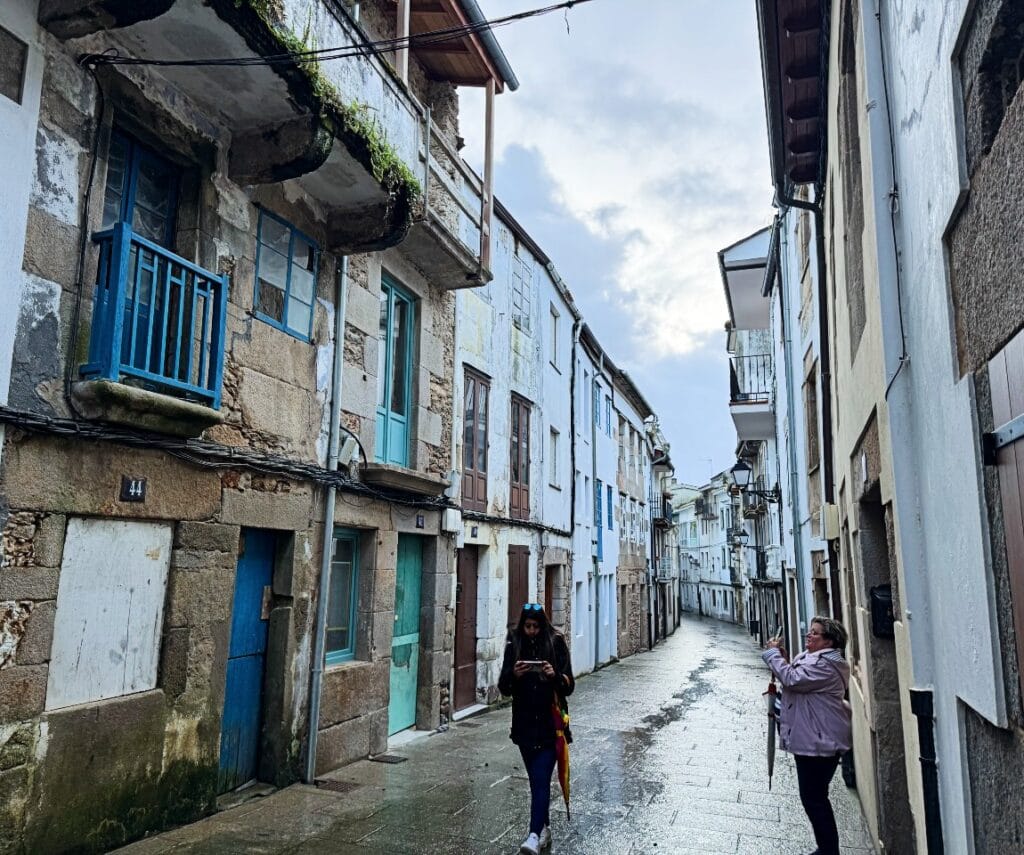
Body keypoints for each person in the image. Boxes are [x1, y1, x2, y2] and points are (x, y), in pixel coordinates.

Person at [763, 616, 852, 855]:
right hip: (813, 736)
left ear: (829, 641)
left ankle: (828, 851)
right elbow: (795, 672)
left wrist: (772, 656)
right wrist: (781, 658)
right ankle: (826, 849)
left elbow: (792, 679)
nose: (808, 636)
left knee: (815, 799)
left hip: (819, 740)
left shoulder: (826, 665)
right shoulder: (818, 660)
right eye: (809, 632)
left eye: (815, 633)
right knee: (814, 797)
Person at [498, 603, 575, 855]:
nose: (531, 631)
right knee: (536, 782)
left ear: (542, 625)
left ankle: (533, 836)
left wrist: (554, 675)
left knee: (541, 779)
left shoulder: (556, 642)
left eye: (535, 627)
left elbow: (569, 685)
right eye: (527, 626)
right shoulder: (515, 642)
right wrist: (515, 674)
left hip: (551, 726)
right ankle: (544, 828)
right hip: (523, 725)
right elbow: (504, 687)